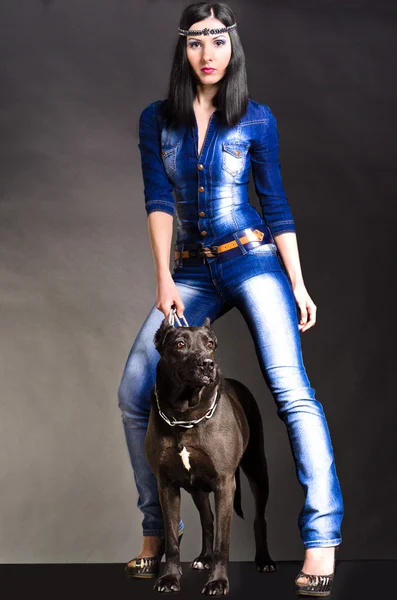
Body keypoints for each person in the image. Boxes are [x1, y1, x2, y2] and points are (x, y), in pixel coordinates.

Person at [117, 2, 344, 595]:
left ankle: (321, 537)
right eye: (196, 41)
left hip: (253, 260)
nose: (208, 52)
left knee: (291, 389)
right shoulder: (156, 120)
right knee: (135, 389)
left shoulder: (256, 119)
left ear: (232, 46)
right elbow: (158, 200)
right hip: (189, 272)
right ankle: (157, 533)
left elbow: (276, 205)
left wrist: (296, 282)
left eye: (218, 39)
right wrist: (164, 276)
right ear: (183, 48)